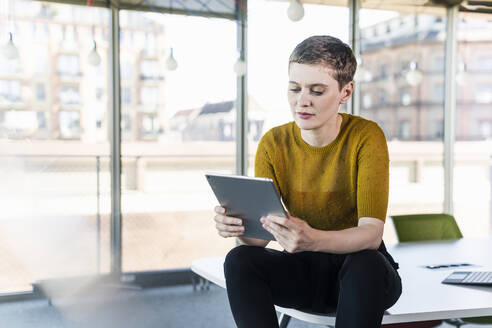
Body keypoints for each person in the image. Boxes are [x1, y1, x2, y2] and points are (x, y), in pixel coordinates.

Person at [213, 35, 402, 328]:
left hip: (363, 277)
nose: (302, 101)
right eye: (294, 88)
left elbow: (371, 234)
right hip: (304, 273)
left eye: (316, 90)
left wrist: (314, 238)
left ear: (345, 92)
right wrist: (238, 227)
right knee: (240, 259)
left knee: (367, 262)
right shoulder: (273, 143)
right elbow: (260, 239)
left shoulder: (366, 136)